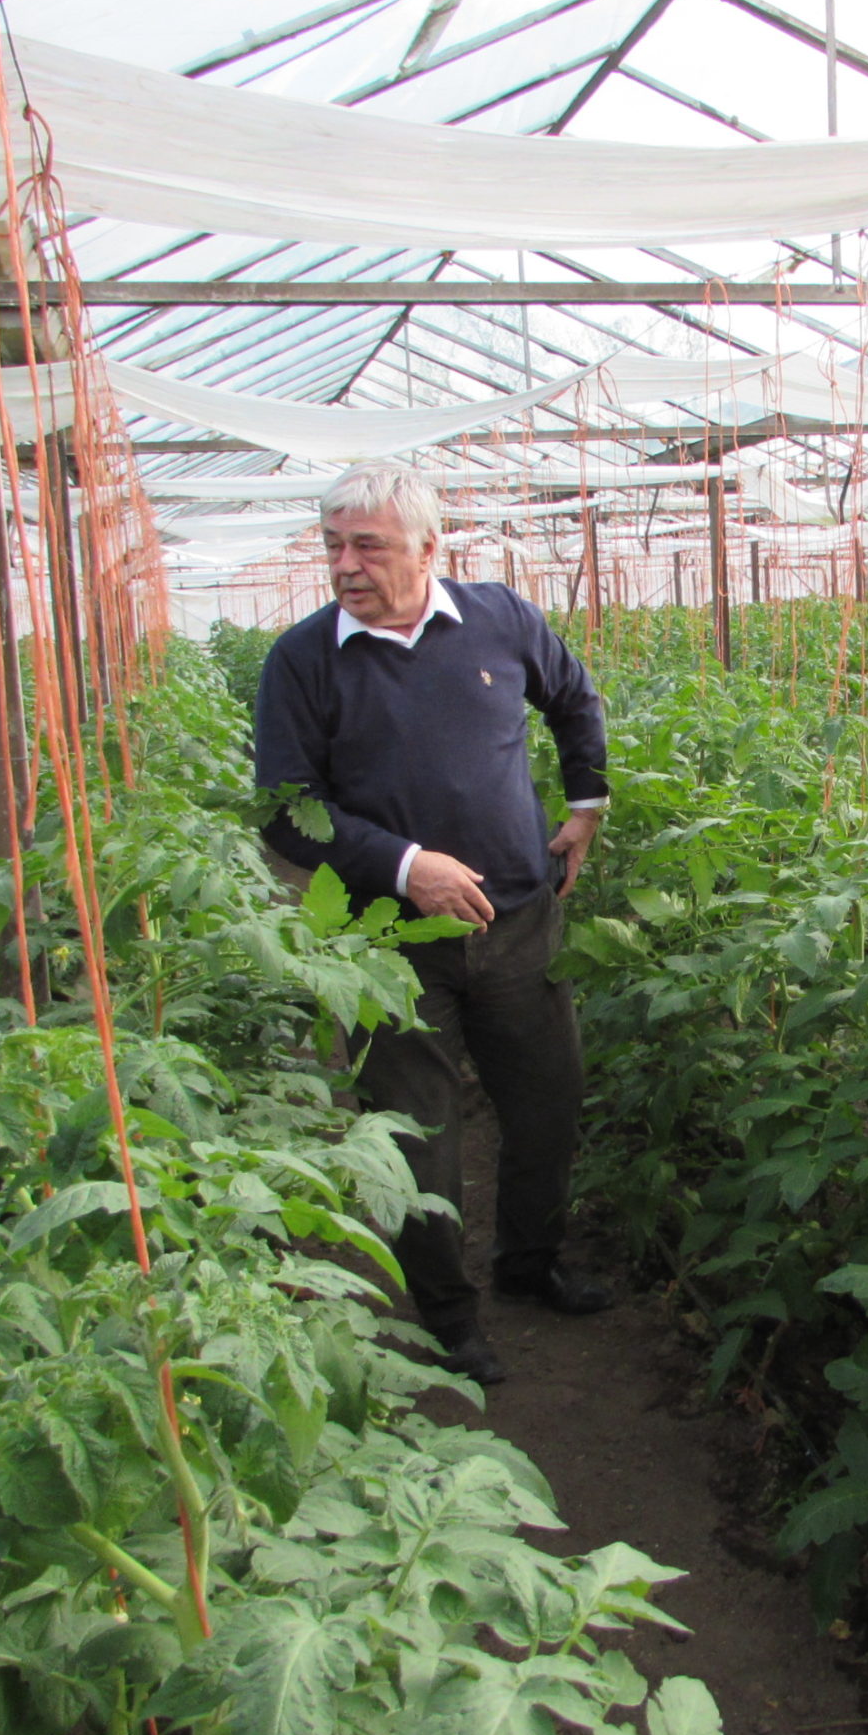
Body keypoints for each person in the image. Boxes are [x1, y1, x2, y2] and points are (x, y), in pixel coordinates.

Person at [252, 462, 615, 1386]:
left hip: (517, 920)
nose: (346, 565)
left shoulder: (500, 619)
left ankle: (529, 1264)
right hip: (387, 943)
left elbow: (574, 697)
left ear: (427, 547)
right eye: (334, 546)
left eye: (368, 546)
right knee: (418, 1132)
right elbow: (286, 810)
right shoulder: (303, 660)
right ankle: (449, 1316)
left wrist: (585, 804)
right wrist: (407, 867)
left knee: (547, 1103)